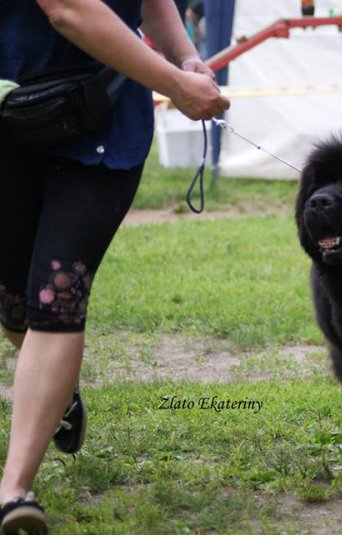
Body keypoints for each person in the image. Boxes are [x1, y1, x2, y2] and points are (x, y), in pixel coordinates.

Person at [0, 1, 230, 533]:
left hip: (100, 116)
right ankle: (59, 392)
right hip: (8, 113)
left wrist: (185, 56)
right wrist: (175, 83)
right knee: (15, 305)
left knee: (57, 296)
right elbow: (69, 10)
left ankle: (14, 491)